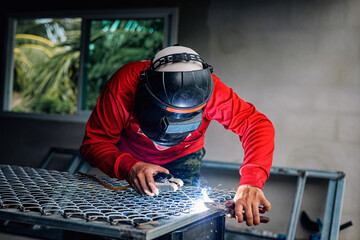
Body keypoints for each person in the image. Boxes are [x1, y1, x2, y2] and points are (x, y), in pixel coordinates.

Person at [80, 45, 275, 226]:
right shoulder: (125, 86)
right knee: (128, 220)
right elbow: (95, 143)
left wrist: (251, 182)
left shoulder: (212, 91)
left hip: (184, 157)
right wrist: (129, 166)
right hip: (131, 158)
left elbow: (256, 125)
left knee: (182, 222)